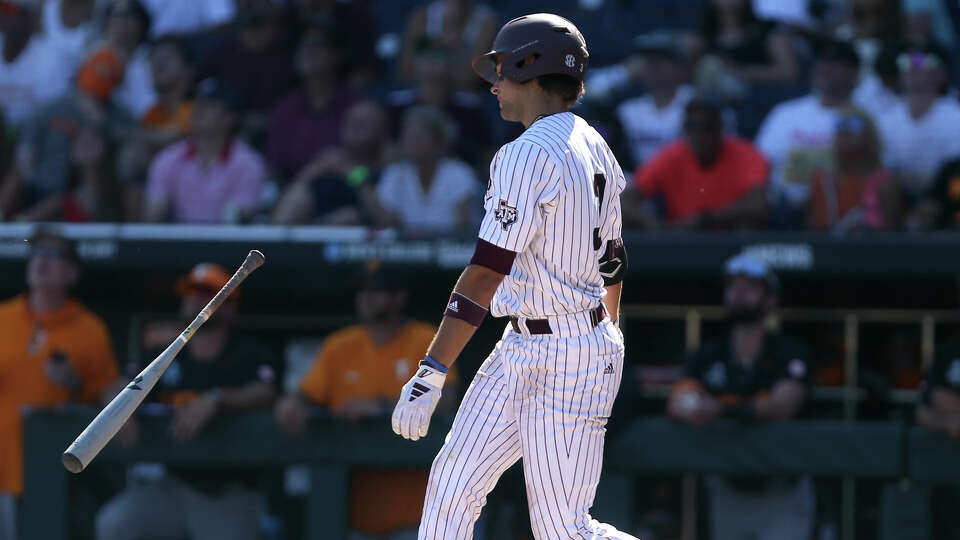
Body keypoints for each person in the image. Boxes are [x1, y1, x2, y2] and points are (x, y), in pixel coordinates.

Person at [390, 14, 637, 539]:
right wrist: (607, 330)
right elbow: (613, 259)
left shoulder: (526, 153)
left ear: (532, 67)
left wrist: (433, 368)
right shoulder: (595, 141)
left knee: (563, 531)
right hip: (530, 343)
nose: (495, 85)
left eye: (502, 70)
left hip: (568, 353)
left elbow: (485, 273)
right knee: (451, 487)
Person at [96, 262, 280, 540]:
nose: (194, 298)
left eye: (206, 293)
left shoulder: (248, 351)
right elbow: (120, 385)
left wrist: (218, 399)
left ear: (229, 306)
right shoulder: (166, 352)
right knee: (115, 523)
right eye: (191, 291)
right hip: (174, 483)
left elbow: (266, 393)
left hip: (228, 491)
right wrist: (120, 407)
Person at [275, 262, 459, 540]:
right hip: (355, 514)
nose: (366, 297)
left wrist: (382, 407)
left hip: (418, 513)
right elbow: (304, 396)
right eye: (362, 291)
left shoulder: (425, 339)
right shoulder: (340, 346)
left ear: (399, 297)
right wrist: (290, 404)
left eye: (377, 291)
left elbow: (448, 402)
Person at [667, 254, 815, 540]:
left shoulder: (789, 351)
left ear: (771, 299)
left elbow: (782, 406)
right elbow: (678, 401)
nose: (739, 293)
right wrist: (692, 408)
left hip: (781, 491)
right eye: (733, 286)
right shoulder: (710, 353)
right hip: (728, 488)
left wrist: (719, 408)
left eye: (750, 287)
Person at [0, 227, 121, 540]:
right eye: (36, 252)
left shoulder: (90, 329)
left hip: (53, 477)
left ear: (71, 272)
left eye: (53, 255)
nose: (42, 261)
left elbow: (109, 399)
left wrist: (75, 383)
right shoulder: (3, 316)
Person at [2, 48, 133, 220]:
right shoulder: (50, 109)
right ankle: (6, 226)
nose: (92, 95)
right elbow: (25, 155)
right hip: (44, 186)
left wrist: (101, 124)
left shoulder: (118, 115)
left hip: (92, 191)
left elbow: (134, 143)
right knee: (18, 175)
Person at [756, 38, 872, 228]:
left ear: (855, 72)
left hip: (842, 214)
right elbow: (760, 164)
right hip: (782, 213)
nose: (827, 67)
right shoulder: (785, 113)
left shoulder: (866, 118)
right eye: (823, 60)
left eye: (836, 62)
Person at [628, 97, 768, 229]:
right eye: (691, 126)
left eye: (707, 127)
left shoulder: (746, 154)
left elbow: (758, 206)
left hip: (729, 240)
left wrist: (706, 220)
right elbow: (624, 201)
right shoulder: (672, 155)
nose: (698, 135)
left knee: (746, 223)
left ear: (720, 128)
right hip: (681, 240)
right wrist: (654, 225)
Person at [143, 78, 267, 223]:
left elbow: (239, 220)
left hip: (228, 243)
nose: (198, 110)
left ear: (230, 117)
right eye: (197, 103)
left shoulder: (249, 164)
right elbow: (152, 217)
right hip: (179, 243)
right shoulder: (168, 158)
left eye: (209, 105)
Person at [272, 99, 392, 225]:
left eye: (363, 123)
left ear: (381, 130)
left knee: (349, 216)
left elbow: (385, 218)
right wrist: (312, 171)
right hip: (316, 224)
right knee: (298, 194)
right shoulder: (330, 159)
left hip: (363, 235)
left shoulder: (387, 167)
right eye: (351, 122)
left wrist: (350, 172)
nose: (354, 127)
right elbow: (289, 195)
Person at [265, 27, 356, 184]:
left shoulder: (356, 107)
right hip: (294, 193)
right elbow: (273, 169)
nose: (309, 51)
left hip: (350, 187)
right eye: (303, 46)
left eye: (317, 45)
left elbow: (366, 170)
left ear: (336, 55)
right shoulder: (285, 109)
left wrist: (355, 177)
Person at [373, 105, 479, 233]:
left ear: (439, 143)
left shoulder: (459, 173)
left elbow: (462, 227)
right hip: (408, 249)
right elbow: (388, 222)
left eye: (418, 137)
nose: (411, 142)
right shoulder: (394, 173)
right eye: (408, 136)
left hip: (454, 249)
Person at [877, 44, 960, 205]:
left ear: (941, 75)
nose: (913, 67)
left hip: (945, 199)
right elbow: (883, 167)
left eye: (923, 62)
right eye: (906, 62)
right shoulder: (885, 120)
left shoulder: (956, 117)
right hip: (898, 199)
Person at [611, 31, 696, 169]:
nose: (653, 65)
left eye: (662, 59)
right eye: (648, 59)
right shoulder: (628, 111)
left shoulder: (698, 104)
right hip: (641, 185)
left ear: (681, 67)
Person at [807, 109, 900, 232]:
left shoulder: (885, 182)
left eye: (852, 126)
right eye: (840, 128)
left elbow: (894, 234)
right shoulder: (822, 180)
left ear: (868, 136)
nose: (845, 133)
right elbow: (810, 232)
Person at [17, 122, 124, 222]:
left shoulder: (121, 195)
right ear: (72, 153)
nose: (86, 146)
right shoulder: (61, 201)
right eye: (81, 141)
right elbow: (20, 223)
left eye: (92, 140)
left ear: (106, 147)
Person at [689, 0, 799, 90]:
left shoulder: (768, 30)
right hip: (716, 103)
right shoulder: (703, 37)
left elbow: (789, 72)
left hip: (762, 98)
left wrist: (739, 71)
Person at [397, 0, 498, 91]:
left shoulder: (487, 22)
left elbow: (470, 78)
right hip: (421, 92)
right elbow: (406, 71)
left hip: (462, 94)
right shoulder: (421, 17)